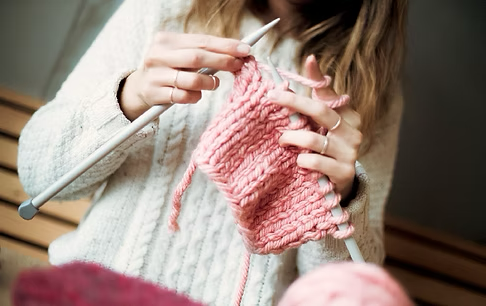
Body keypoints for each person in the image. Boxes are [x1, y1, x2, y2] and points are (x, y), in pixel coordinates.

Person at [17, 0, 407, 305]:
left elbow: (346, 292)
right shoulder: (165, 11)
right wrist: (127, 98)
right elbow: (38, 176)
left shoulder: (371, 94)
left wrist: (341, 198)